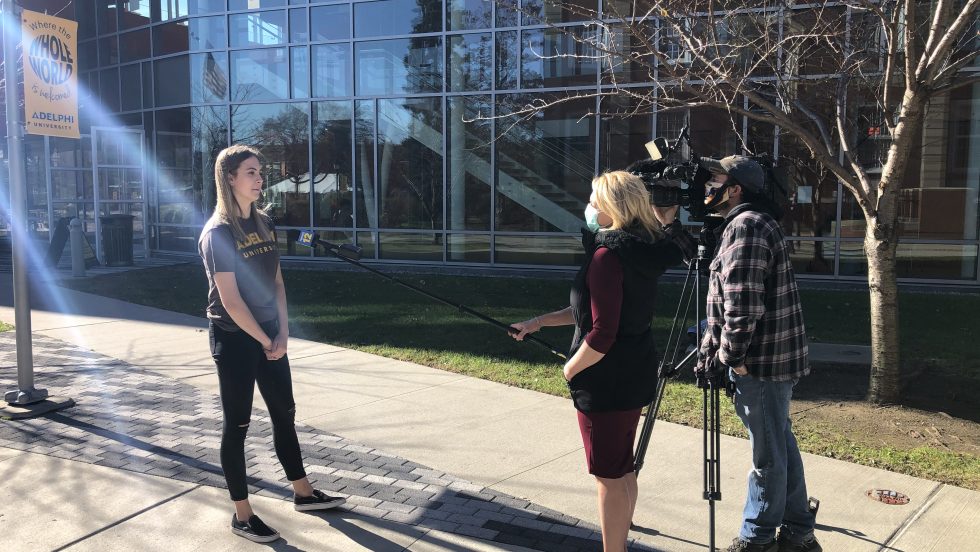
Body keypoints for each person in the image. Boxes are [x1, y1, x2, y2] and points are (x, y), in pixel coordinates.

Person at [511, 171, 694, 552]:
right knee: (623, 470)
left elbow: (602, 333)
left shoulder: (607, 255)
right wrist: (539, 322)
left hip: (605, 384)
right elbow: (590, 308)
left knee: (608, 478)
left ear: (611, 208)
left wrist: (570, 368)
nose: (589, 208)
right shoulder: (639, 249)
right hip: (633, 376)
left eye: (594, 201)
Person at [198, 145, 346, 543]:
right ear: (229, 178)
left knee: (285, 414)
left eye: (260, 172)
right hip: (235, 338)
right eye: (251, 172)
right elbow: (230, 300)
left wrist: (281, 332)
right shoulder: (218, 233)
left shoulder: (264, 223)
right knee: (238, 426)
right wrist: (266, 339)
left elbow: (277, 283)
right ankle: (243, 516)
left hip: (269, 335)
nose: (260, 178)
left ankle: (303, 493)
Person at [695, 156, 820, 552]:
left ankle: (758, 538)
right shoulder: (746, 224)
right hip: (769, 360)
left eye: (714, 180)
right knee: (779, 443)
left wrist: (731, 358)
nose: (706, 187)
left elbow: (742, 305)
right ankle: (799, 531)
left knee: (767, 455)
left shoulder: (746, 228)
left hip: (761, 364)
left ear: (735, 189)